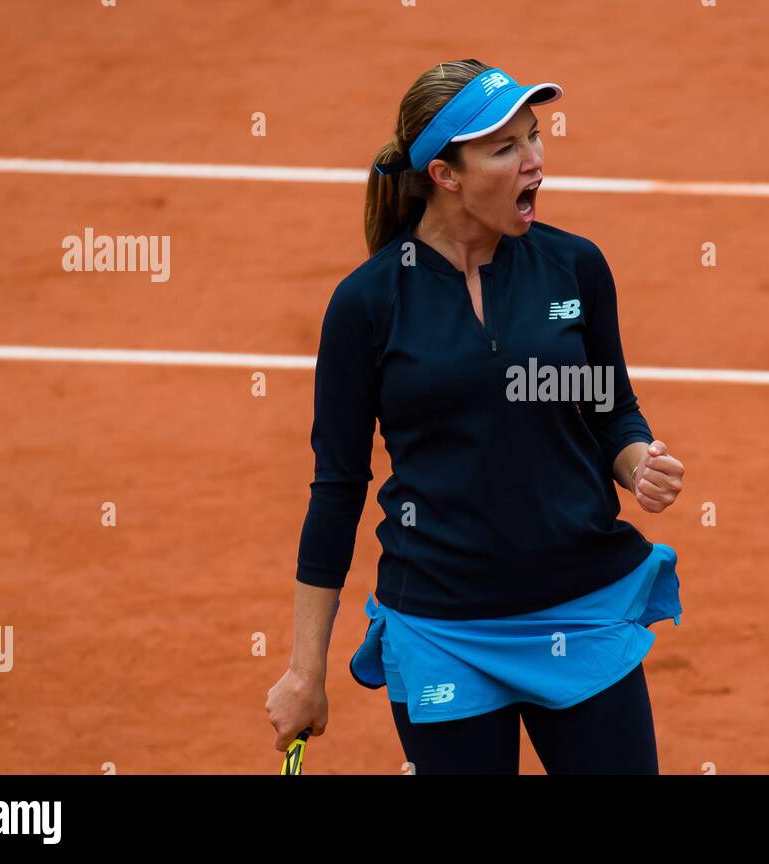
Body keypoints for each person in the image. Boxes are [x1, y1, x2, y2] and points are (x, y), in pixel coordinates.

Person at [265, 59, 686, 774]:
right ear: (445, 174)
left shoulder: (574, 269)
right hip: (443, 629)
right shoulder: (368, 305)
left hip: (579, 611)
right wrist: (306, 671)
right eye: (506, 148)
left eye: (535, 136)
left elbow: (611, 411)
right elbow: (337, 488)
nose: (535, 160)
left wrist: (638, 459)